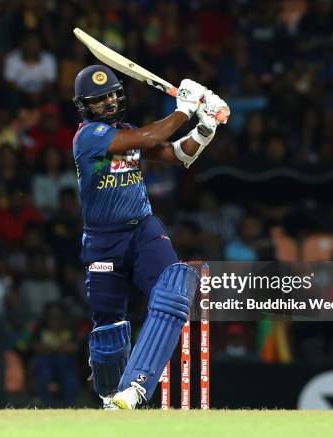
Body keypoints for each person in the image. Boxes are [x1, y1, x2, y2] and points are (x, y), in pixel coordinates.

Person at [71, 64, 229, 409]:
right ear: (85, 106)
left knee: (176, 286)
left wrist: (205, 126)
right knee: (108, 333)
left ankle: (137, 386)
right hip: (102, 242)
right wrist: (185, 109)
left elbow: (177, 154)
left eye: (112, 94)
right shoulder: (88, 137)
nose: (109, 101)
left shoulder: (128, 130)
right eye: (99, 99)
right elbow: (148, 138)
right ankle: (111, 396)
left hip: (142, 229)